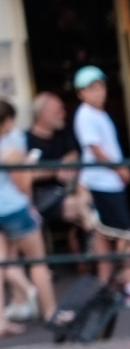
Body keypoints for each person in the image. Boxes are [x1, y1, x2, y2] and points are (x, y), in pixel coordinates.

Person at [73, 66, 130, 306]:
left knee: (105, 235)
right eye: (91, 88)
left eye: (100, 87)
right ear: (81, 93)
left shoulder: (96, 114)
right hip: (104, 183)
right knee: (126, 234)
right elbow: (95, 148)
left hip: (104, 182)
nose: (98, 93)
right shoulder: (86, 116)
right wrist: (120, 169)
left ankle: (106, 288)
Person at [0, 99, 56, 332]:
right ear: (8, 120)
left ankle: (2, 322)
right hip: (13, 208)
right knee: (38, 262)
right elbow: (21, 182)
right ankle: (51, 313)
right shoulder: (11, 146)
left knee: (2, 264)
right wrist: (29, 164)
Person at [25, 91, 96, 256]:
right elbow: (27, 175)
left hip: (64, 192)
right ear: (42, 114)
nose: (63, 114)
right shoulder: (26, 139)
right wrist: (56, 170)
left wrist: (67, 164)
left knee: (86, 200)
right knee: (84, 208)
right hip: (39, 198)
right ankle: (91, 255)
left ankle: (91, 256)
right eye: (58, 111)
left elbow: (74, 154)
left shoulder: (62, 135)